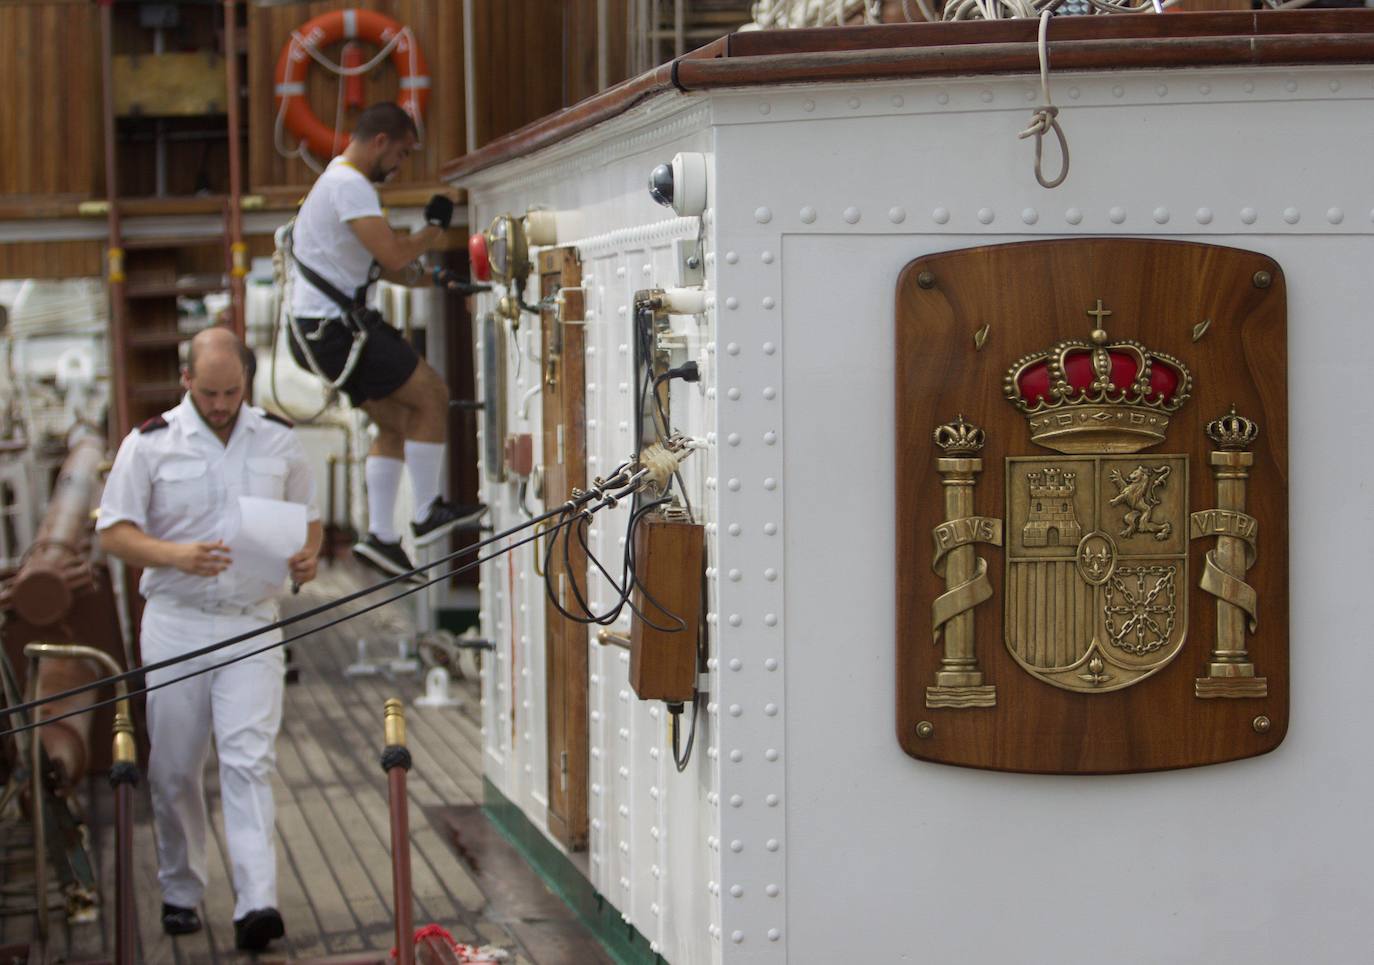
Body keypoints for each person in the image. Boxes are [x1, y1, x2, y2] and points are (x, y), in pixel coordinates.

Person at [98, 327, 321, 953]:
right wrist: (173, 554)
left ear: (244, 383)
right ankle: (180, 889)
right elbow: (114, 534)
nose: (222, 404)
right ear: (187, 380)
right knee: (174, 767)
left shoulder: (279, 438)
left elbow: (309, 521)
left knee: (250, 761)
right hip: (177, 622)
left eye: (232, 391)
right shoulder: (149, 446)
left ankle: (257, 903)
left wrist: (307, 560)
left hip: (252, 621)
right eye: (211, 391)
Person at [287, 101, 485, 581]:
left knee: (397, 422)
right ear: (380, 142)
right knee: (432, 395)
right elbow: (394, 256)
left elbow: (380, 268)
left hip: (320, 333)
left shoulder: (337, 185)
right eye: (401, 153)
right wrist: (434, 231)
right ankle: (425, 513)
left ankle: (381, 536)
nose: (400, 166)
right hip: (334, 331)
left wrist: (442, 280)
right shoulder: (348, 186)